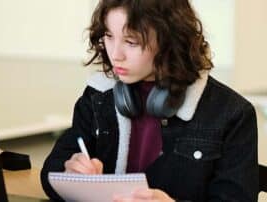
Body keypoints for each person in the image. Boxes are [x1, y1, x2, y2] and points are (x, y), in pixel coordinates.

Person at [41, 0, 259, 201]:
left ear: (169, 40)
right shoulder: (98, 96)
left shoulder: (232, 114)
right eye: (108, 36)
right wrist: (70, 174)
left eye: (131, 41)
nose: (115, 54)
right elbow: (51, 171)